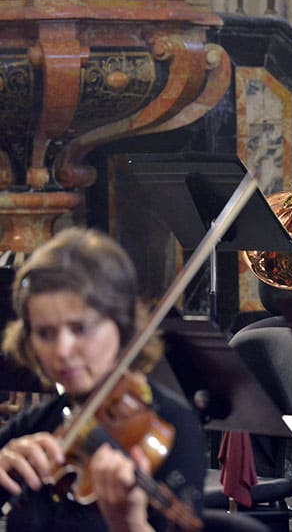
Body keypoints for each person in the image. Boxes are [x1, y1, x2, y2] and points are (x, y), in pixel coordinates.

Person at [0, 227, 206, 532]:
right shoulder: (35, 428)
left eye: (80, 329)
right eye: (45, 333)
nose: (62, 350)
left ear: (121, 327)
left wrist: (129, 523)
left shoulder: (173, 427)